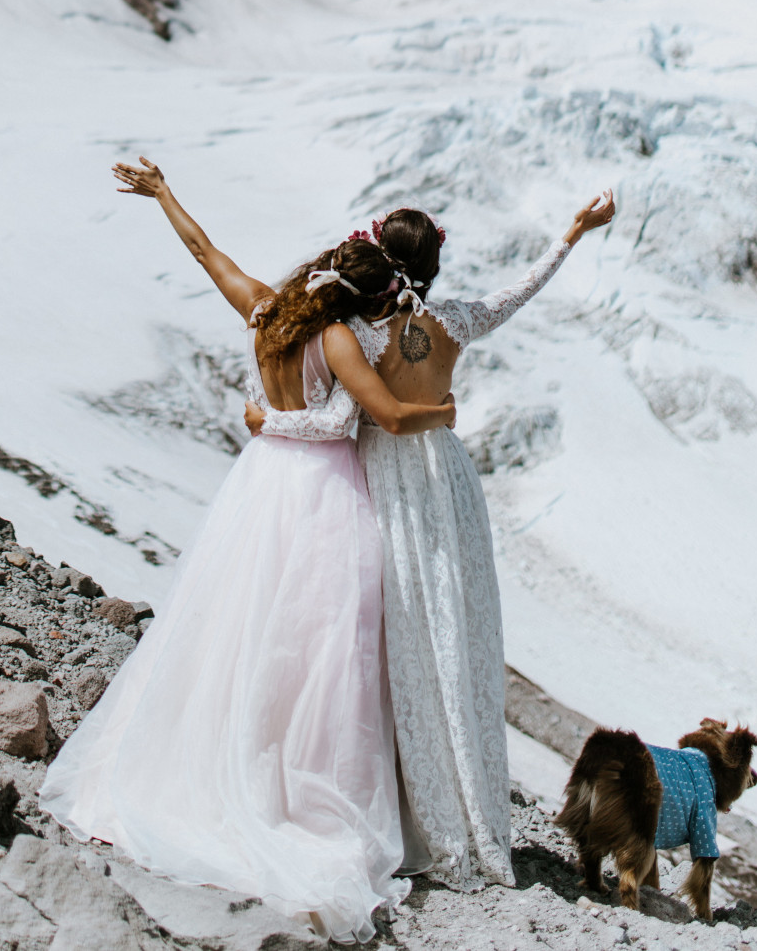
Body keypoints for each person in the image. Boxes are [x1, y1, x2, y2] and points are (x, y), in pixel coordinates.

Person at [39, 158, 458, 945]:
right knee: (323, 650)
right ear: (363, 296)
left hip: (259, 488)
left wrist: (164, 193)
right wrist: (442, 410)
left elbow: (209, 257)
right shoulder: (336, 342)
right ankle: (296, 788)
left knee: (237, 622)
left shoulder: (267, 312)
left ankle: (218, 756)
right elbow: (383, 421)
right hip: (324, 498)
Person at [251, 191, 615, 892]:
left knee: (393, 640)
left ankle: (393, 806)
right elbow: (523, 289)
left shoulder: (354, 333)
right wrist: (572, 230)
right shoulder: (456, 321)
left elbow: (331, 422)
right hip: (448, 480)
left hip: (386, 485)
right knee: (456, 635)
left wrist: (263, 420)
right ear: (435, 263)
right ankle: (468, 819)